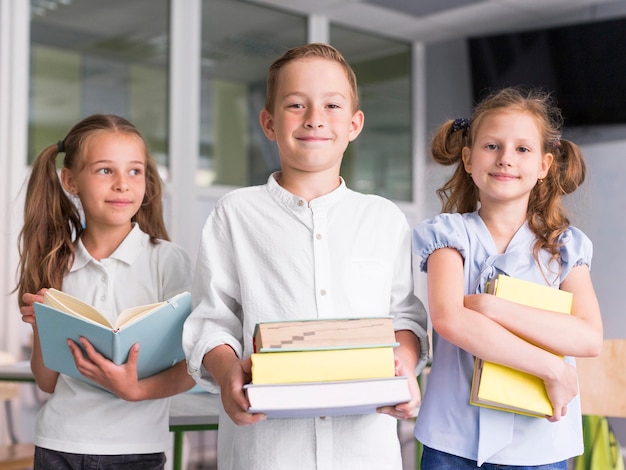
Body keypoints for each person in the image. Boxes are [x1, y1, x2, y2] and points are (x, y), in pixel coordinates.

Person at [182, 43, 429, 470]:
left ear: (354, 124)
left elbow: (403, 316)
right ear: (268, 122)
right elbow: (211, 321)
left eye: (332, 105)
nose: (315, 118)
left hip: (365, 452)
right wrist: (226, 376)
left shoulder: (384, 219)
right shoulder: (235, 214)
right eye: (296, 104)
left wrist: (405, 366)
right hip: (267, 453)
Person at [412, 87, 603, 469]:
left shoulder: (564, 248)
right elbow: (450, 319)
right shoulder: (448, 235)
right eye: (492, 146)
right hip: (453, 443)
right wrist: (551, 368)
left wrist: (493, 307)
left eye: (522, 149)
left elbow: (588, 336)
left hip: (539, 446)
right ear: (467, 159)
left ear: (545, 166)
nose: (505, 159)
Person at [16, 114, 195, 469]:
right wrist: (42, 326)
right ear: (70, 181)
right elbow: (47, 381)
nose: (122, 185)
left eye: (134, 171)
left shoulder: (169, 261)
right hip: (58, 444)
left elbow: (194, 367)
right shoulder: (56, 263)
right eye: (104, 171)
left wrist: (135, 389)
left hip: (137, 448)